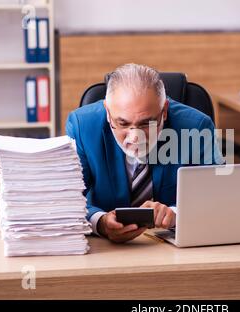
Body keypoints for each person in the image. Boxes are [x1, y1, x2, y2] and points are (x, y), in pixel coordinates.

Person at [66, 63, 224, 243]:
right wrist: (100, 222)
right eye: (123, 124)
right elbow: (66, 199)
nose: (135, 138)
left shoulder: (197, 127)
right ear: (108, 113)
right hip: (104, 249)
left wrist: (175, 214)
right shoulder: (82, 126)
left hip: (172, 247)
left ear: (164, 111)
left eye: (146, 123)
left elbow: (217, 196)